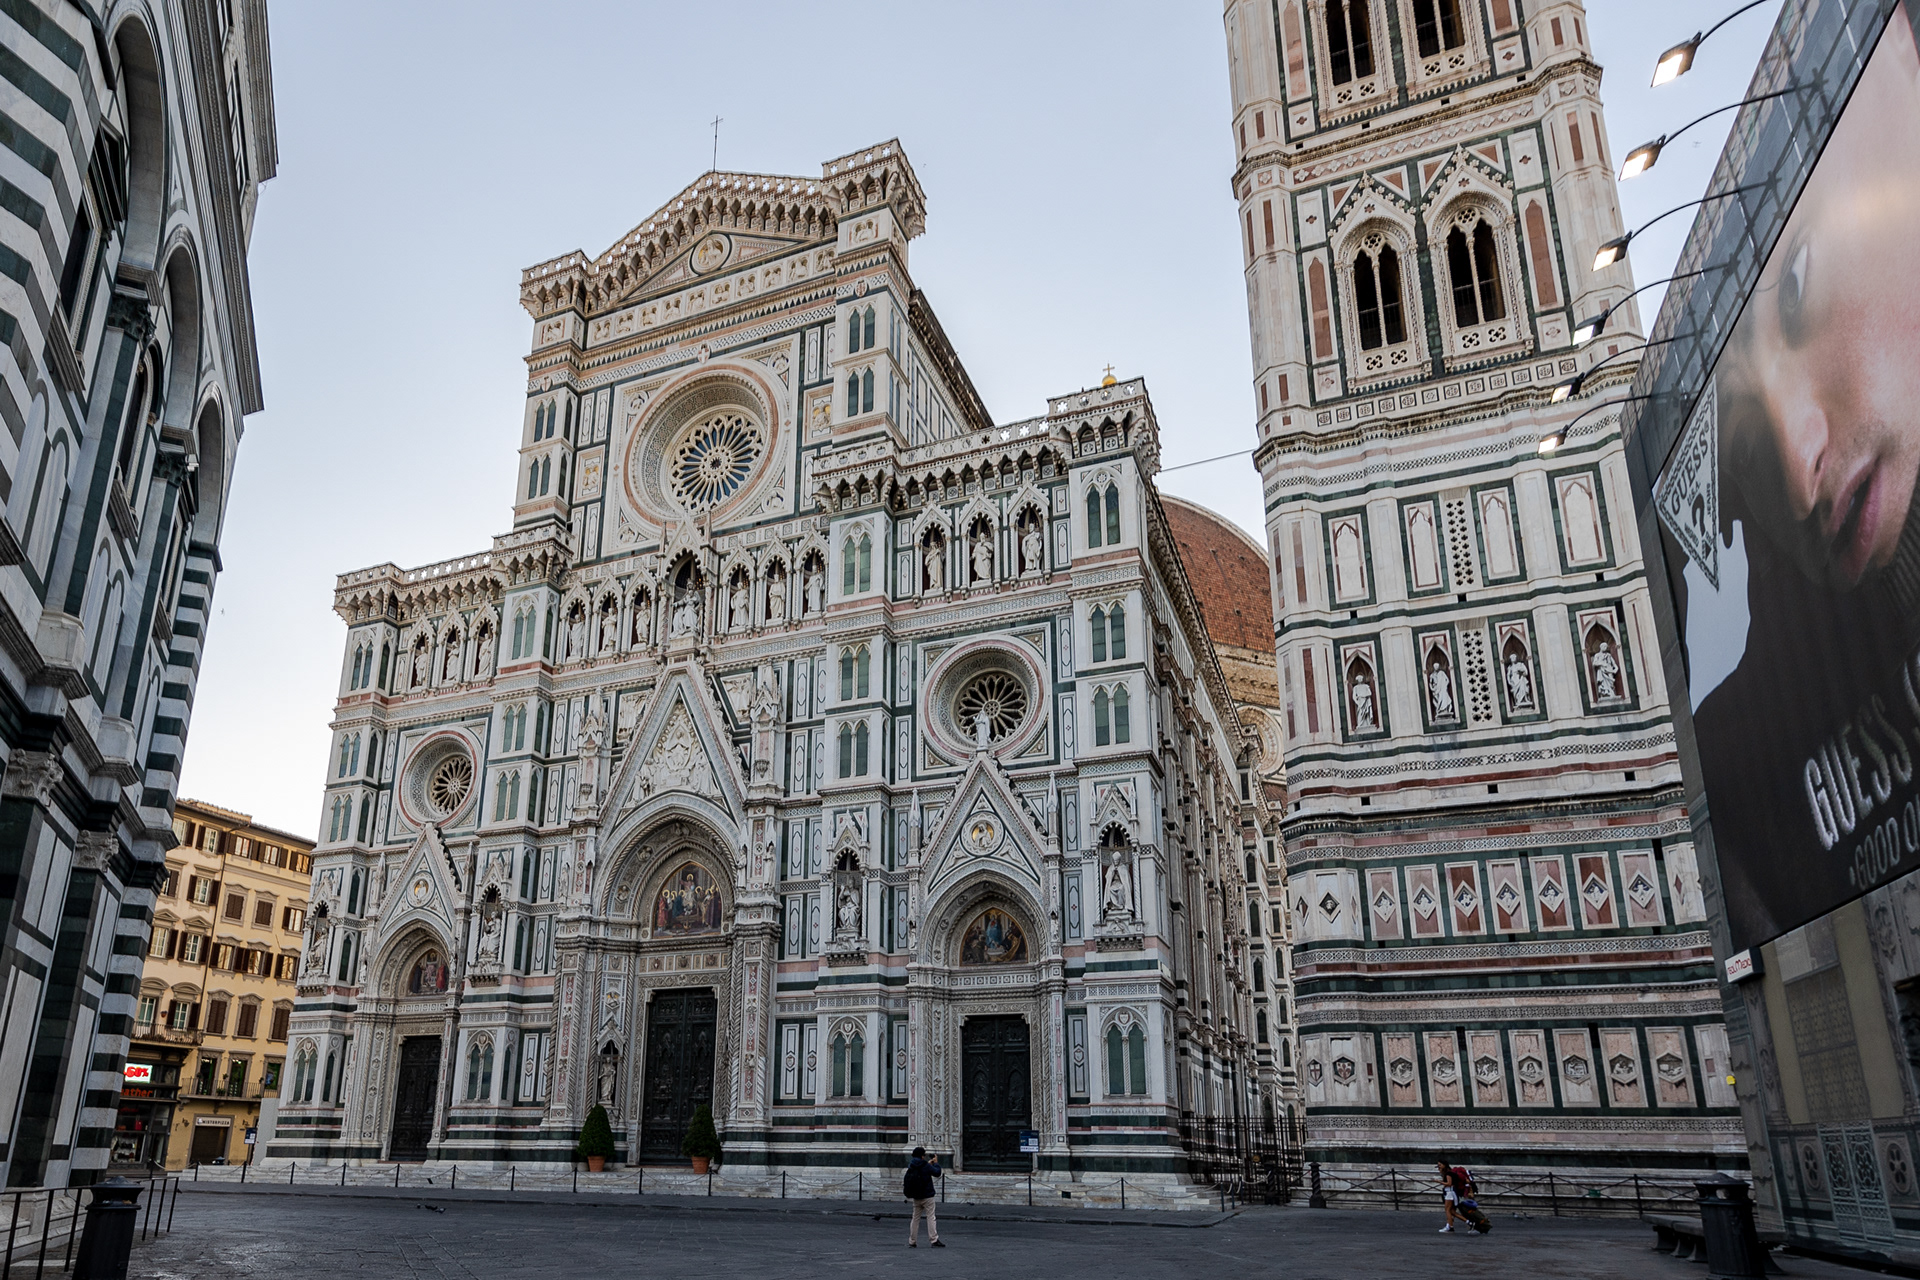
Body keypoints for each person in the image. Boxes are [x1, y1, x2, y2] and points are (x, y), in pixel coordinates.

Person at [904, 1146, 944, 1247]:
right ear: (922, 1156)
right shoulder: (925, 1165)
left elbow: (920, 1170)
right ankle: (934, 1239)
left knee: (915, 1218)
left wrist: (928, 1164)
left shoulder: (911, 1165)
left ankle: (912, 1241)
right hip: (927, 1196)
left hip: (916, 1196)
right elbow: (937, 1173)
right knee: (931, 1217)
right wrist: (936, 1163)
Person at [1436, 1160, 1460, 1233]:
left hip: (1450, 1193)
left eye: (1440, 1165)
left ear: (1444, 1165)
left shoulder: (1448, 1174)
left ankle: (1450, 1226)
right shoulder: (1449, 1173)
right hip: (1452, 1192)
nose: (1439, 1167)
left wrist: (1439, 1182)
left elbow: (1449, 1183)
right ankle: (1449, 1225)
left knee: (1448, 1210)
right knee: (1452, 1211)